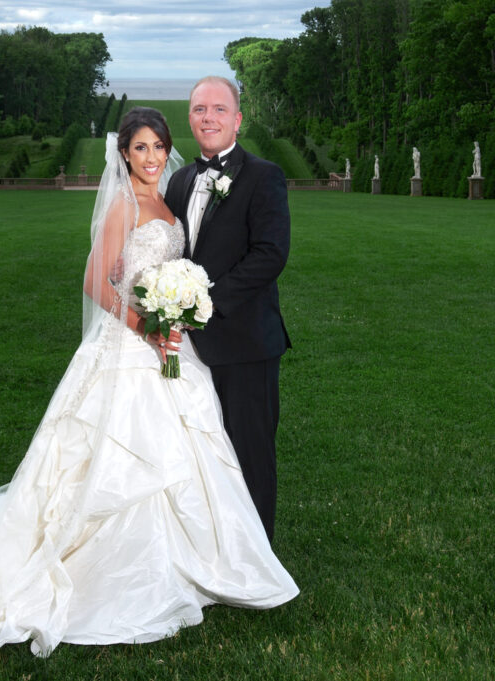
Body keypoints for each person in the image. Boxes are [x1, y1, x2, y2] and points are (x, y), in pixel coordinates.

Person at [0, 106, 297, 658]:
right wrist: (148, 327)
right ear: (123, 152)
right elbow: (98, 281)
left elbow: (156, 268)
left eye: (157, 147)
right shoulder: (125, 205)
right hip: (130, 347)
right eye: (140, 147)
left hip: (172, 348)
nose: (151, 157)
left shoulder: (169, 198)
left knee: (188, 446)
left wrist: (175, 307)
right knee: (111, 456)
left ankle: (202, 556)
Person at [163, 76, 291, 541]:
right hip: (190, 349)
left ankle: (257, 560)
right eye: (199, 109)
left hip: (245, 342)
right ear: (190, 119)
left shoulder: (263, 176)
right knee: (203, 450)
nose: (208, 117)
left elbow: (270, 254)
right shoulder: (178, 181)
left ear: (237, 119)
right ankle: (213, 550)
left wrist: (206, 301)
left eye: (219, 109)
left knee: (250, 452)